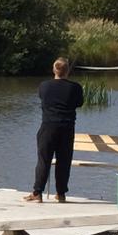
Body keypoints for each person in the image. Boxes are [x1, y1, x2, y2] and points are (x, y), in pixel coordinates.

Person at [25, 56, 84, 203]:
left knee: (44, 160)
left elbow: (42, 98)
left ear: (54, 70)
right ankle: (61, 194)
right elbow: (79, 103)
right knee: (64, 161)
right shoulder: (75, 87)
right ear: (67, 71)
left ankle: (37, 193)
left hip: (48, 127)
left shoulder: (44, 86)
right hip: (67, 128)